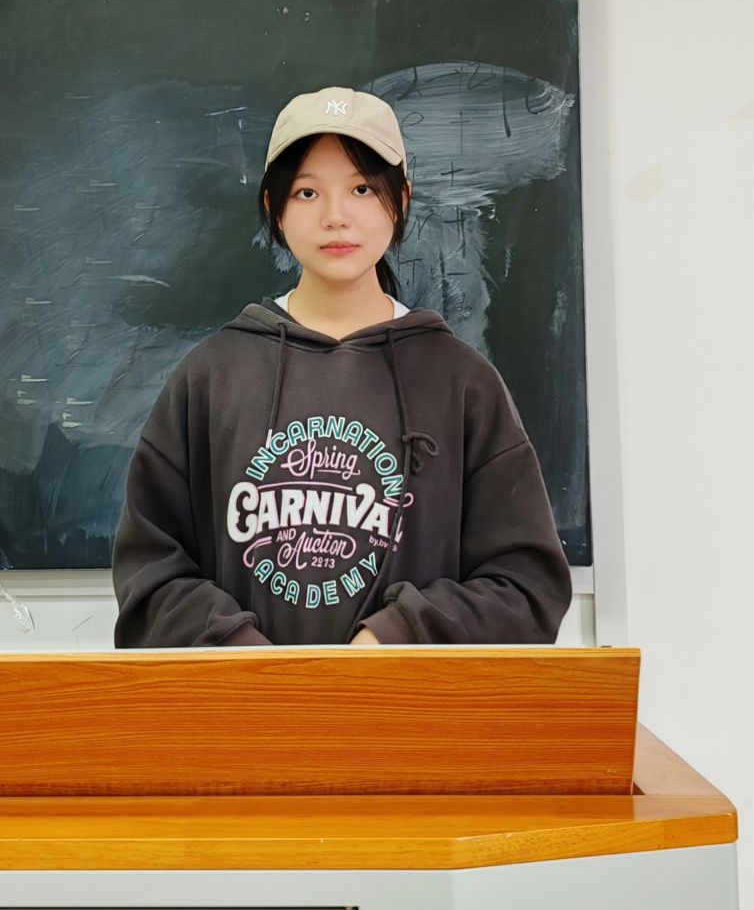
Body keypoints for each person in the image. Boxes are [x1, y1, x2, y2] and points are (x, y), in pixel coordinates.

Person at [112, 85, 572, 647]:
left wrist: (397, 636)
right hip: (247, 702)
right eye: (307, 192)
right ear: (274, 207)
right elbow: (150, 576)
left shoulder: (462, 382)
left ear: (401, 199)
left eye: (362, 188)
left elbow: (526, 586)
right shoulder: (210, 378)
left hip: (405, 704)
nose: (336, 217)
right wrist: (239, 653)